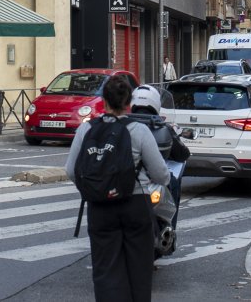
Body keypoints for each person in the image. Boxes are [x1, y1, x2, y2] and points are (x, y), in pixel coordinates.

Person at [65, 76, 171, 301]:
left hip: (100, 208)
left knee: (105, 269)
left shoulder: (86, 130)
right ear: (128, 103)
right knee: (139, 269)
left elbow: (71, 170)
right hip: (135, 205)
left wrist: (94, 189)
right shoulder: (139, 130)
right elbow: (161, 174)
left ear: (103, 102)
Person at [128, 84, 190, 223]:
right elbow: (182, 155)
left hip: (122, 182)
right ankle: (170, 228)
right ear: (155, 103)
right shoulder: (161, 127)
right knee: (172, 182)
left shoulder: (123, 124)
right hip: (148, 182)